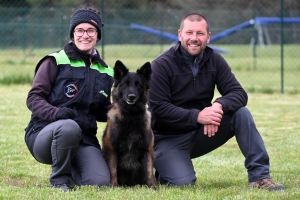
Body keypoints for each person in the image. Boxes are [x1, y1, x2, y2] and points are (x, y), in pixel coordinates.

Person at [148, 13, 285, 191]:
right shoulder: (161, 65)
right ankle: (165, 169)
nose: (194, 39)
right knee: (182, 183)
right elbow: (159, 108)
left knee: (241, 114)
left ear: (208, 37)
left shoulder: (215, 60)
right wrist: (198, 116)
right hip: (167, 139)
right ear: (180, 34)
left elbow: (239, 93)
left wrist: (217, 106)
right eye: (189, 33)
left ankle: (260, 178)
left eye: (200, 33)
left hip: (201, 133)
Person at [24, 6, 114, 192]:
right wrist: (56, 113)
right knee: (68, 126)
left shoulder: (106, 71)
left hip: (84, 139)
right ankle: (59, 181)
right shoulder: (55, 60)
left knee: (100, 182)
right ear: (72, 34)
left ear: (98, 35)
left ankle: (73, 167)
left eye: (91, 30)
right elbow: (34, 98)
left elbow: (101, 111)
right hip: (46, 134)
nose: (85, 35)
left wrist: (123, 110)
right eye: (79, 30)